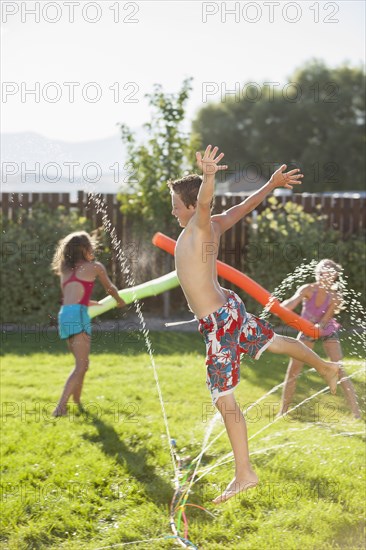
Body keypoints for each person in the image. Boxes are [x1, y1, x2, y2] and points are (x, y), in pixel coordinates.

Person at [167, 145, 341, 504]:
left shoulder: (200, 225)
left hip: (218, 322)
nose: (172, 209)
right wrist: (272, 184)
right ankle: (326, 366)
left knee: (223, 397)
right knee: (275, 341)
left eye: (175, 203)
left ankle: (244, 474)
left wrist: (210, 176)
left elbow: (205, 205)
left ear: (189, 204)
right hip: (229, 309)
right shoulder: (212, 226)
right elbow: (239, 209)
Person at [51, 231, 125, 417]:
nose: (93, 249)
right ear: (84, 249)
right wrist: (119, 300)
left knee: (82, 364)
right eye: (91, 246)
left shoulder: (65, 270)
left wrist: (88, 302)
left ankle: (76, 401)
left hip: (65, 314)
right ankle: (60, 407)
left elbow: (71, 295)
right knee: (81, 366)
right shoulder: (95, 267)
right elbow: (110, 288)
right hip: (78, 316)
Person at [279, 259, 361, 419]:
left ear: (334, 276)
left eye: (326, 273)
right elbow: (292, 302)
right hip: (307, 329)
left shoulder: (335, 297)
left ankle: (356, 412)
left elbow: (324, 321)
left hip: (326, 330)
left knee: (340, 368)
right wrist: (282, 307)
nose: (322, 275)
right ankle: (283, 411)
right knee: (294, 369)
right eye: (320, 271)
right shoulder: (308, 289)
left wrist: (319, 327)